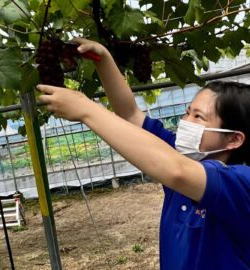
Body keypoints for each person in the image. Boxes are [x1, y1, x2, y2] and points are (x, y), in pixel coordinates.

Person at [37, 38, 250, 269]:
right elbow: (130, 115)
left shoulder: (240, 182)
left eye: (198, 117)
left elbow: (178, 172)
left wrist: (87, 110)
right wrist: (103, 59)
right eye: (187, 112)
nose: (184, 122)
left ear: (234, 139)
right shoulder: (183, 154)